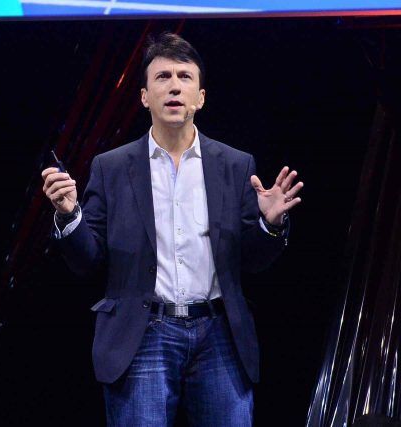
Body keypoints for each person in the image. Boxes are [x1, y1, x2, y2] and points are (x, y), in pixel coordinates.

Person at [41, 32, 303, 427]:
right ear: (144, 96)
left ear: (201, 97)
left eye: (185, 77)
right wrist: (68, 215)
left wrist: (269, 224)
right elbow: (88, 261)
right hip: (143, 332)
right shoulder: (111, 167)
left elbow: (253, 261)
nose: (174, 86)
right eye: (163, 77)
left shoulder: (236, 165)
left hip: (219, 333)